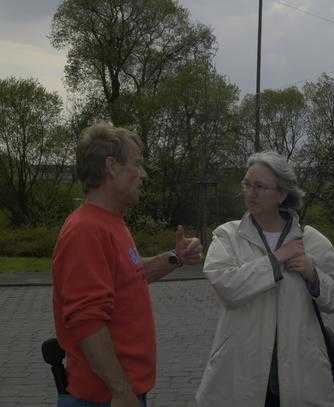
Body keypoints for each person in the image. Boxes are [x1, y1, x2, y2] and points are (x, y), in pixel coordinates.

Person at [52, 123, 203, 407]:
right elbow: (87, 322)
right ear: (112, 166)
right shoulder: (85, 231)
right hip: (104, 398)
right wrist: (121, 391)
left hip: (121, 393)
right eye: (137, 164)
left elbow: (132, 273)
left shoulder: (111, 222)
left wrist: (177, 256)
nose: (143, 174)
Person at [195, 151, 334, 407]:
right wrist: (277, 258)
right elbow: (228, 288)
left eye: (260, 186)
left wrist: (313, 275)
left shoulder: (310, 240)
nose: (251, 193)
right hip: (241, 371)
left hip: (300, 374)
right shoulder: (227, 236)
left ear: (281, 194)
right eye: (247, 184)